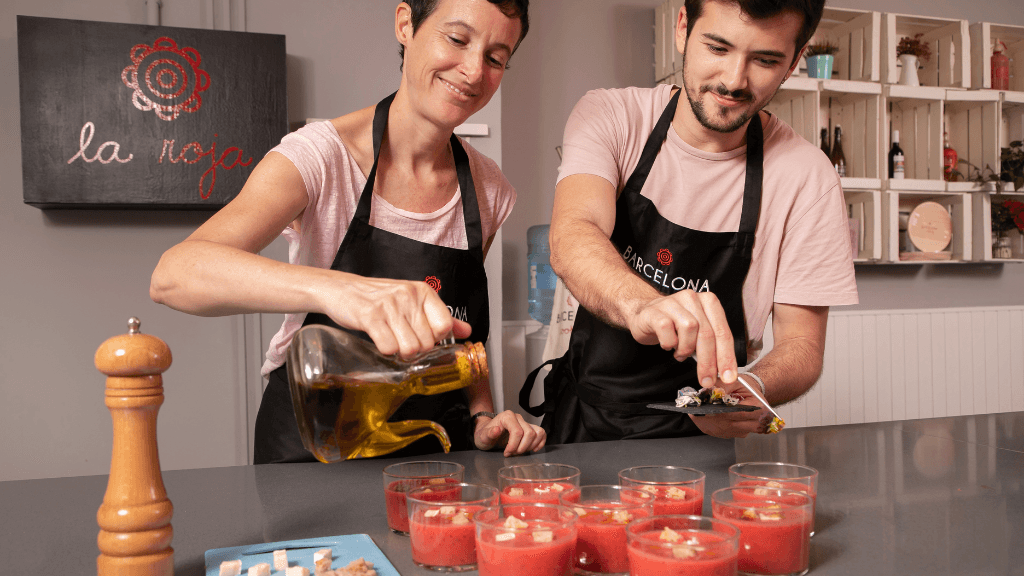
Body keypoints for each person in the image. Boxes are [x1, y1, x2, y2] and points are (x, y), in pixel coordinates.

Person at [151, 0, 545, 463]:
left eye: (496, 58)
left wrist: (483, 417)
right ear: (405, 24)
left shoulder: (488, 187)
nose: (474, 71)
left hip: (431, 451)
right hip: (314, 446)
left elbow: (464, 336)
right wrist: (344, 292)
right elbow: (174, 275)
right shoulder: (321, 157)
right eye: (457, 40)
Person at [520, 0, 858, 442]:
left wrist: (746, 390)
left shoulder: (807, 177)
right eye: (718, 48)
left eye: (765, 60)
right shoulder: (612, 116)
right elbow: (573, 234)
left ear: (795, 60)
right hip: (583, 421)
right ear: (683, 28)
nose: (734, 80)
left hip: (701, 439)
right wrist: (644, 305)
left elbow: (802, 347)